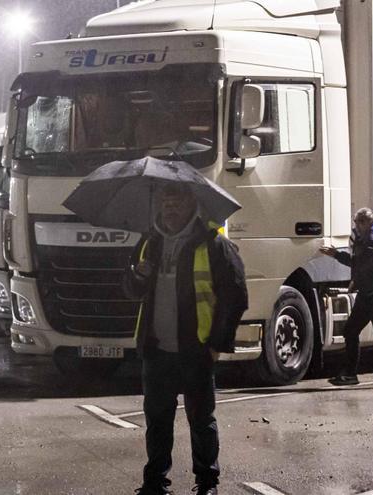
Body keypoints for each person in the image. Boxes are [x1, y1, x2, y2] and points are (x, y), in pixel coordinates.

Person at [124, 183, 248, 495]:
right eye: (165, 202)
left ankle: (207, 483)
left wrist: (218, 344)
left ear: (191, 204)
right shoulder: (149, 242)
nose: (170, 208)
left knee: (201, 419)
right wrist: (137, 275)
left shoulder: (212, 243)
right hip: (157, 348)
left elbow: (235, 296)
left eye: (176, 202)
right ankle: (155, 483)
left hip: (196, 347)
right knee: (157, 420)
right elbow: (130, 291)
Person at [320, 207, 373, 389]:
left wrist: (337, 255)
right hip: (367, 293)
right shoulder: (362, 238)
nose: (356, 225)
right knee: (350, 330)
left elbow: (361, 263)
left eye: (360, 222)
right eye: (355, 222)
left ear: (369, 223)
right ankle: (350, 374)